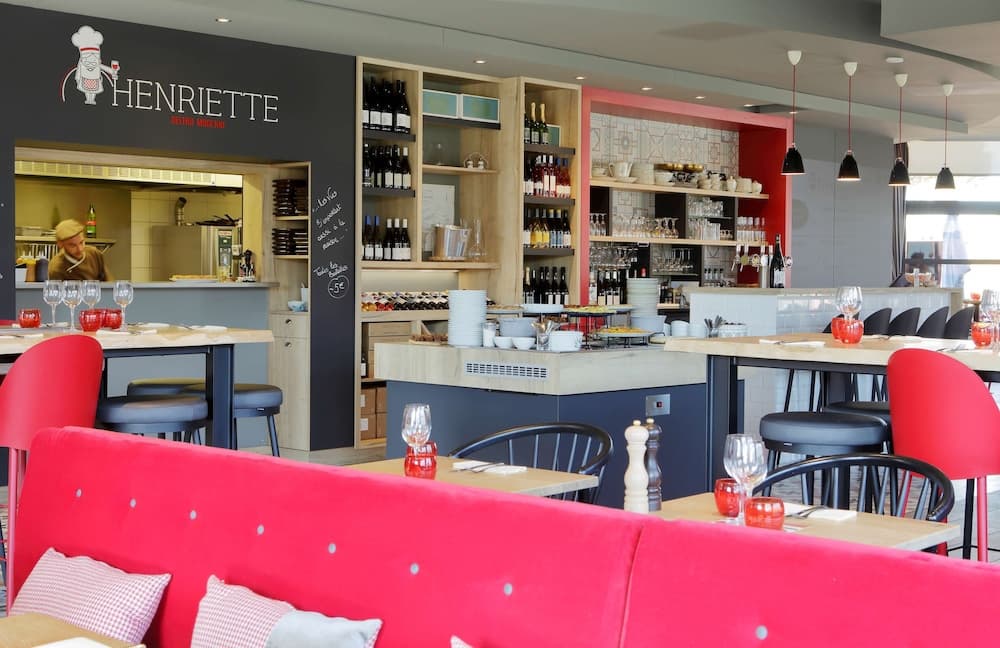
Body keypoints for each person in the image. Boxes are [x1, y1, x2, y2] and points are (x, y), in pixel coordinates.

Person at [48, 219, 113, 281]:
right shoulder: (56, 268)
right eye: (72, 245)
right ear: (60, 244)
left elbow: (109, 283)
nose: (80, 249)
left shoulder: (94, 253)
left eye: (81, 242)